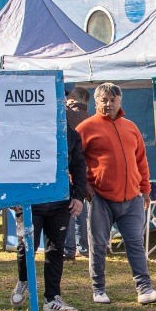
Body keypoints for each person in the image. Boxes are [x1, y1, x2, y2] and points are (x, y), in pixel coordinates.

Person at [76, 82, 156, 306]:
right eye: (104, 100)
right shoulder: (85, 128)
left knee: (135, 243)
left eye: (113, 100)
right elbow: (74, 161)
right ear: (96, 102)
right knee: (98, 244)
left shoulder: (131, 127)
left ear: (120, 101)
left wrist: (145, 189)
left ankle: (145, 289)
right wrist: (84, 186)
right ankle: (98, 289)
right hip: (101, 198)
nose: (109, 104)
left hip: (132, 198)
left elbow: (141, 161)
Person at [11, 114, 87, 311]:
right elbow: (10, 160)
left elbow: (79, 165)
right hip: (30, 200)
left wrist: (78, 196)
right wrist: (11, 197)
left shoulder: (68, 132)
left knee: (55, 249)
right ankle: (24, 280)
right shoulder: (24, 127)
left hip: (60, 202)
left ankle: (52, 298)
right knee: (28, 245)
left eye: (64, 99)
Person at [63, 87, 92, 257]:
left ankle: (69, 248)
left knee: (69, 209)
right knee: (82, 209)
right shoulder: (92, 117)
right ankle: (84, 246)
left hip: (70, 168)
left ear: (72, 98)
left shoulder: (67, 115)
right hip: (88, 170)